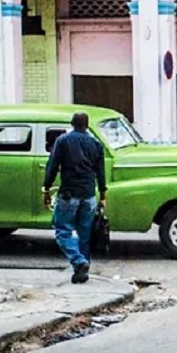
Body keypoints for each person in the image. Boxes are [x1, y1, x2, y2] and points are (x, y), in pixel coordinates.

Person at [43, 112, 106, 284]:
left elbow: (53, 166)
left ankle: (78, 261)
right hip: (89, 195)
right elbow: (100, 171)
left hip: (69, 194)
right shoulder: (95, 143)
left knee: (62, 230)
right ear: (87, 125)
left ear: (72, 123)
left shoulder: (62, 141)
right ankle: (82, 272)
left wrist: (46, 188)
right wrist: (103, 194)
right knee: (84, 234)